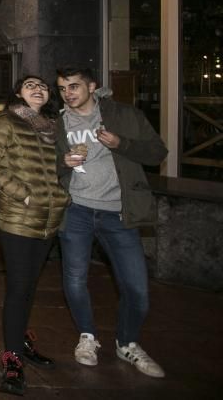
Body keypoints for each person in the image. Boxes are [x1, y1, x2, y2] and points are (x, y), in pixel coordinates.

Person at [55, 67, 166, 378]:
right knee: (75, 280)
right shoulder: (58, 123)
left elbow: (157, 152)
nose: (68, 93)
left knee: (137, 288)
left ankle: (127, 342)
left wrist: (121, 144)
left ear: (93, 86)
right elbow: (49, 163)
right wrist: (62, 163)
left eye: (74, 86)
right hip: (76, 211)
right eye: (63, 88)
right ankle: (87, 337)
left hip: (118, 213)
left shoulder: (124, 115)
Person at [0, 75, 70, 395]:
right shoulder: (7, 121)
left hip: (48, 218)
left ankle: (23, 341)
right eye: (30, 85)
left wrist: (65, 168)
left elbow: (51, 170)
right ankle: (12, 361)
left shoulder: (51, 127)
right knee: (18, 289)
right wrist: (23, 194)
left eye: (43, 86)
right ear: (18, 92)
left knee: (30, 288)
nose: (37, 89)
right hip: (18, 218)